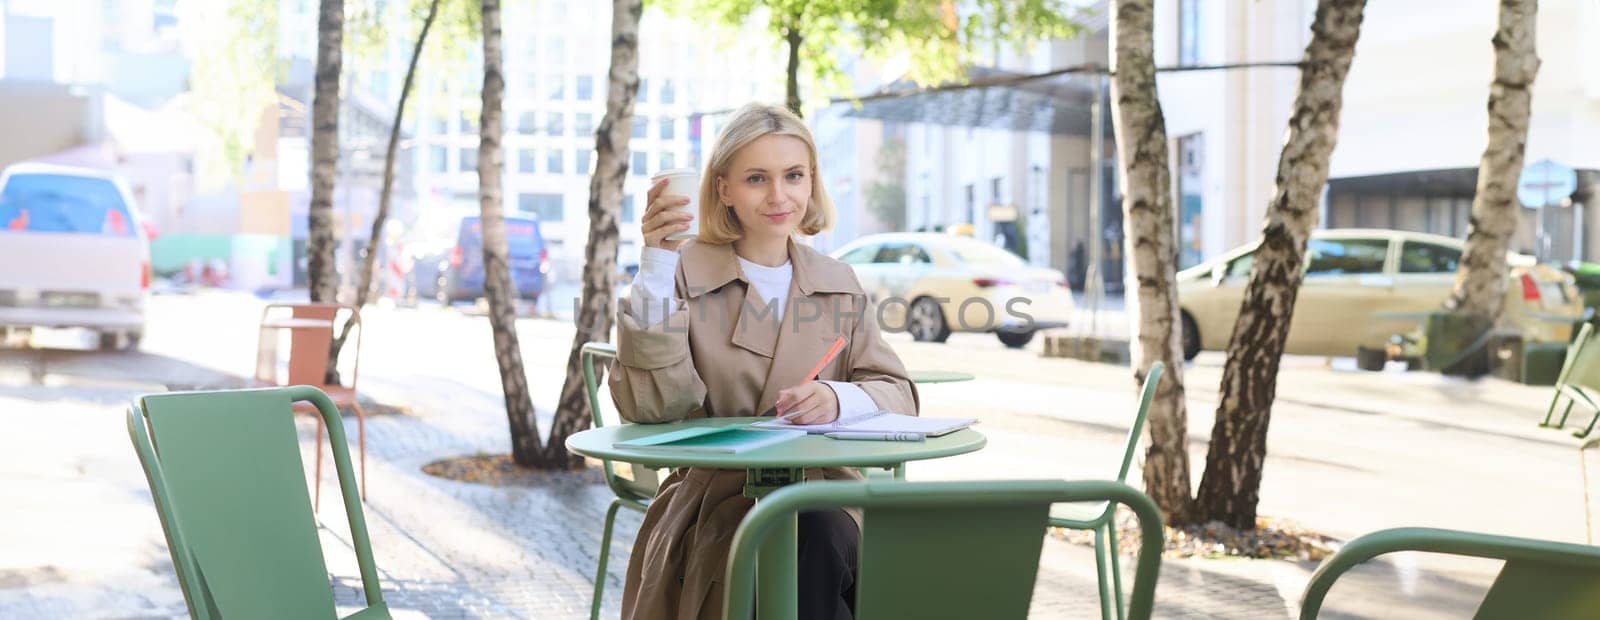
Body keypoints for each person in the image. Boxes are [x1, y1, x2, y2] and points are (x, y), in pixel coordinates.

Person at [610, 102, 919, 620]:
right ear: (724, 188)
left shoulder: (836, 280)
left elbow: (898, 392)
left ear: (811, 181)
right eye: (757, 178)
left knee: (816, 532)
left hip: (826, 494)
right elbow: (652, 409)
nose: (780, 196)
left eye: (793, 176)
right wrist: (657, 263)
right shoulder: (680, 271)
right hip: (714, 504)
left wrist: (837, 398)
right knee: (798, 553)